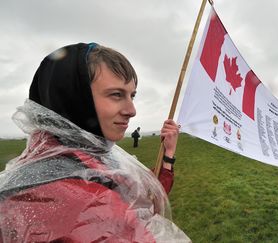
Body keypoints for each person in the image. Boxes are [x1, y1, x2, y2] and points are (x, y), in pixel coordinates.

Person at [0, 43, 190, 242]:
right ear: (74, 97)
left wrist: (168, 154)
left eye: (132, 95)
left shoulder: (88, 157)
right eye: (116, 94)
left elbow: (144, 200)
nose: (132, 110)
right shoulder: (71, 198)